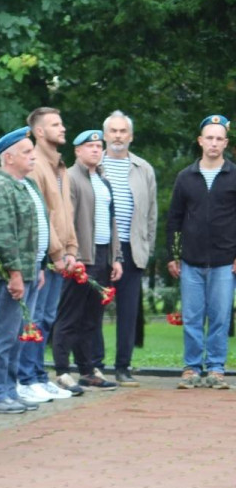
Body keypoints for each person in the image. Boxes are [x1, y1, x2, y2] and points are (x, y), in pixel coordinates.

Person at [0, 128, 48, 415]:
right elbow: (2, 237)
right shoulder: (1, 188)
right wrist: (15, 274)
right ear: (8, 158)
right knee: (4, 334)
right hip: (11, 274)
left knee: (18, 334)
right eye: (26, 152)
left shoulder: (25, 184)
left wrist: (38, 266)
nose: (33, 157)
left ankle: (9, 390)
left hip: (30, 269)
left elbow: (34, 230)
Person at [166, 115, 236, 389]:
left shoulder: (234, 175)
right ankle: (191, 368)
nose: (214, 143)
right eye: (209, 138)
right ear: (200, 141)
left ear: (226, 143)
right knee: (192, 318)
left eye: (219, 139)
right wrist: (173, 255)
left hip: (224, 262)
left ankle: (216, 369)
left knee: (220, 317)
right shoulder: (186, 177)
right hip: (190, 261)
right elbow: (174, 219)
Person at [52, 130, 122, 391]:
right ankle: (62, 370)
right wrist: (70, 254)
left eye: (98, 146)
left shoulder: (103, 180)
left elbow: (112, 221)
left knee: (92, 317)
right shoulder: (70, 178)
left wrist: (116, 257)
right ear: (77, 151)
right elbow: (65, 219)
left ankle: (87, 369)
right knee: (70, 315)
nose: (95, 149)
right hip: (80, 256)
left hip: (102, 255)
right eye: (89, 146)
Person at [17, 107, 76, 403]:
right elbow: (42, 216)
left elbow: (66, 212)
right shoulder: (35, 165)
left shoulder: (60, 166)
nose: (62, 128)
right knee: (36, 319)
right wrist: (57, 253)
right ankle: (26, 378)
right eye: (55, 124)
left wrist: (72, 249)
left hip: (61, 256)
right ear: (39, 132)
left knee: (48, 317)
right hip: (46, 256)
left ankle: (39, 375)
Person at [99, 110, 157, 387]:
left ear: (131, 136)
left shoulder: (143, 169)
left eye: (123, 131)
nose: (118, 136)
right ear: (105, 135)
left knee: (128, 312)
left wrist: (147, 248)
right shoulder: (92, 164)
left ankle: (123, 367)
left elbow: (152, 214)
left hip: (132, 248)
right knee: (93, 309)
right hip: (100, 247)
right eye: (113, 131)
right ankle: (94, 365)